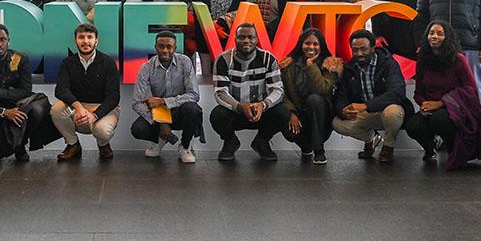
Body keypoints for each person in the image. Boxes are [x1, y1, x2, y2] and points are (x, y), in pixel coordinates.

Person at [404, 20, 481, 170]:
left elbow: (470, 89)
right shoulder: (422, 60)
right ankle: (430, 148)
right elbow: (419, 92)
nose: (434, 36)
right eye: (431, 33)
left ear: (448, 37)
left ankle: (456, 151)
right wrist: (423, 104)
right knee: (412, 125)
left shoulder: (458, 59)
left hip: (456, 108)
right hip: (431, 108)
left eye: (440, 33)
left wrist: (441, 103)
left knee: (440, 120)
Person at [0, 24, 50, 162]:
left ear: (9, 40)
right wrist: (3, 112)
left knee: (37, 110)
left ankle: (19, 144)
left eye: (3, 39)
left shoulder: (21, 60)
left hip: (19, 108)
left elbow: (26, 91)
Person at [331, 30, 412, 164]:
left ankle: (388, 147)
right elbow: (341, 96)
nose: (359, 54)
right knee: (337, 123)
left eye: (363, 49)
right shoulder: (349, 68)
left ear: (373, 48)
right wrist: (342, 110)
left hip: (388, 111)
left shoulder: (388, 63)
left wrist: (366, 106)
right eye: (355, 50)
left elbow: (397, 92)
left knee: (393, 113)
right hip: (366, 114)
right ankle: (372, 139)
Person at [210, 24, 288, 161]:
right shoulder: (223, 60)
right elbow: (220, 93)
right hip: (236, 111)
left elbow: (277, 90)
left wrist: (263, 105)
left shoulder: (268, 59)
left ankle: (262, 142)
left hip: (261, 112)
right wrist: (240, 106)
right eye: (242, 37)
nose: (246, 41)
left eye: (250, 37)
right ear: (235, 39)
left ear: (257, 39)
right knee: (217, 115)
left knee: (283, 113)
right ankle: (230, 142)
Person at [52, 23, 121, 161]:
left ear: (96, 41)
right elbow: (61, 89)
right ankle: (73, 145)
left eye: (90, 37)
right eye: (81, 37)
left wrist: (95, 115)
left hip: (103, 109)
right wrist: (78, 107)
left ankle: (103, 145)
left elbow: (113, 97)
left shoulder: (108, 62)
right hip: (79, 109)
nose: (85, 41)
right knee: (56, 109)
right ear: (75, 41)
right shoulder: (67, 63)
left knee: (103, 131)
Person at [130, 31, 202, 164]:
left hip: (180, 110)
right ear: (155, 47)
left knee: (192, 109)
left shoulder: (185, 62)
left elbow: (194, 95)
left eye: (169, 47)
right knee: (137, 129)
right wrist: (161, 122)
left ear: (175, 47)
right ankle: (160, 139)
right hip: (159, 112)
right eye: (161, 46)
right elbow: (136, 102)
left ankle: (185, 147)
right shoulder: (146, 67)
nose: (165, 50)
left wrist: (164, 101)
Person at [278, 28, 342, 164]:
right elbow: (281, 91)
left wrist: (310, 66)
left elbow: (322, 89)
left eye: (315, 44)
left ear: (321, 46)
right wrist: (291, 113)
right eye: (307, 43)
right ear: (301, 44)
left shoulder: (330, 65)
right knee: (288, 126)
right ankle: (306, 146)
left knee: (315, 99)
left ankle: (319, 151)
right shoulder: (289, 65)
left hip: (322, 118)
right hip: (299, 115)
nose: (311, 47)